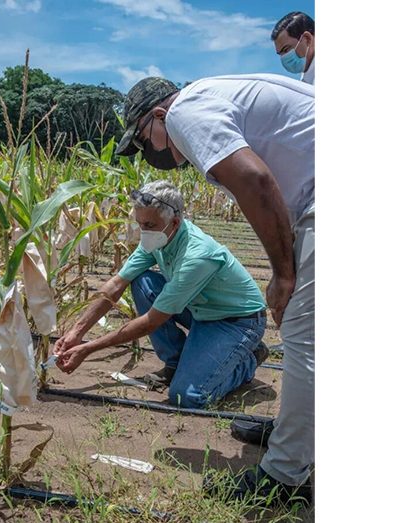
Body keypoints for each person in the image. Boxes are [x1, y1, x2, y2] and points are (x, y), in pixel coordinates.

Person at [113, 74, 314, 504]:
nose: (150, 153)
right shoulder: (213, 95)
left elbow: (255, 181)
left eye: (145, 140)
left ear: (159, 116)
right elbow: (122, 281)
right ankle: (294, 434)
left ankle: (285, 476)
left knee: (304, 339)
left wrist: (283, 271)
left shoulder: (186, 111)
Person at [53, 180, 269, 410]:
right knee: (142, 281)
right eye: (139, 224)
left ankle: (249, 359)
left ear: (174, 222)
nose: (143, 231)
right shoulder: (157, 238)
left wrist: (88, 348)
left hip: (235, 321)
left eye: (149, 224)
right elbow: (115, 285)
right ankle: (176, 363)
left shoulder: (197, 256)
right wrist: (77, 332)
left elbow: (150, 323)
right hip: (199, 309)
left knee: (189, 397)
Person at [272, 11, 315, 85]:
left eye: (286, 49)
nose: (284, 58)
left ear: (307, 39)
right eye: (280, 54)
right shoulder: (307, 78)